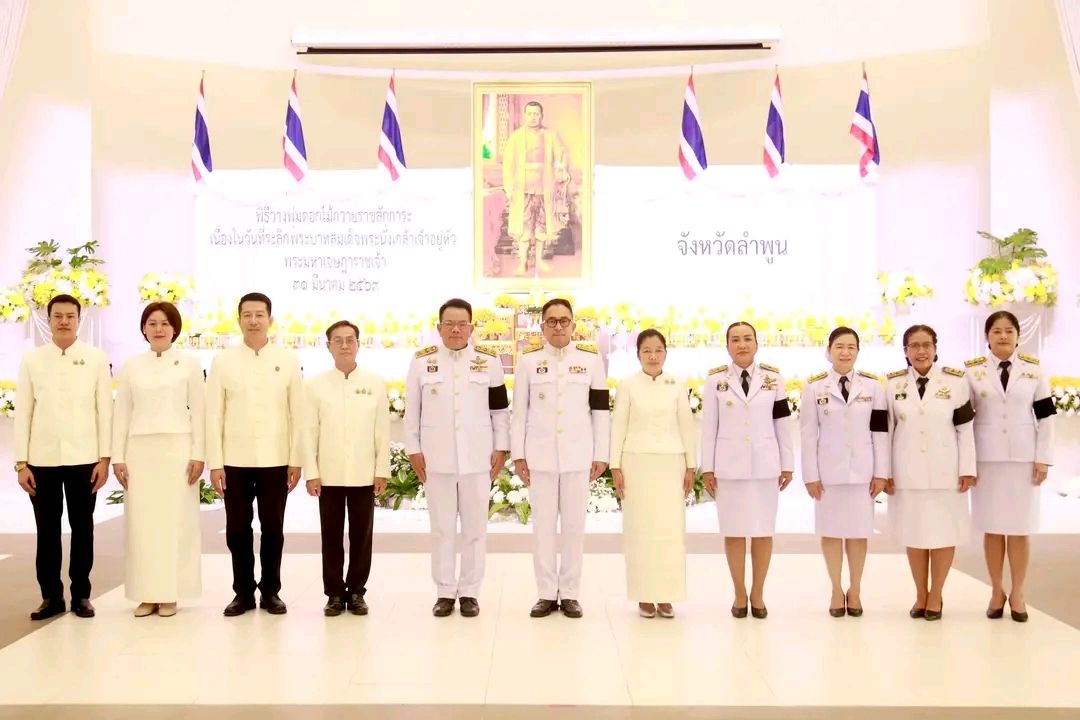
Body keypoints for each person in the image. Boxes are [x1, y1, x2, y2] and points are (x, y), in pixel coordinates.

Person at [404, 298, 510, 618]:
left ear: (471, 327)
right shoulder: (422, 362)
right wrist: (413, 449)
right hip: (437, 460)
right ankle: (445, 591)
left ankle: (470, 592)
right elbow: (413, 411)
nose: (455, 329)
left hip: (478, 458)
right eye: (449, 323)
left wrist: (501, 448)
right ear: (438, 328)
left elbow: (499, 410)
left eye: (462, 323)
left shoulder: (489, 362)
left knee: (475, 528)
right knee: (442, 528)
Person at [14, 294, 112, 620]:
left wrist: (104, 458)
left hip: (85, 459)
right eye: (58, 316)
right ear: (49, 318)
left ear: (79, 319)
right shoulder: (32, 360)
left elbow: (104, 410)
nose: (64, 321)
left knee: (83, 529)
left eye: (70, 316)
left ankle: (81, 595)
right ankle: (51, 596)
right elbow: (24, 411)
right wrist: (22, 462)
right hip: (42, 462)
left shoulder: (95, 358)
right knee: (47, 531)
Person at [206, 292, 305, 617]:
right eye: (247, 315)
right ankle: (243, 592)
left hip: (275, 460)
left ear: (270, 320)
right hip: (234, 461)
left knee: (273, 529)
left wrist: (296, 459)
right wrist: (215, 463)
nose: (253, 321)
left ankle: (271, 591)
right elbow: (213, 415)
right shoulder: (223, 361)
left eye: (259, 315)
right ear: (239, 320)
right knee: (237, 530)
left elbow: (297, 414)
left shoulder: (287, 360)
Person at [511, 298, 609, 619]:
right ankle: (544, 593)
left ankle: (569, 593)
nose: (557, 326)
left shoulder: (591, 362)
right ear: (542, 326)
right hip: (539, 457)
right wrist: (519, 454)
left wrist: (601, 453)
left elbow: (600, 412)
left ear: (573, 324)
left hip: (578, 456)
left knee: (573, 527)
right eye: (551, 321)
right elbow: (519, 412)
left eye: (563, 320)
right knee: (542, 528)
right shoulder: (528, 362)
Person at [112, 302, 205, 617]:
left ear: (175, 328)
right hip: (140, 451)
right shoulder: (131, 366)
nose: (159, 328)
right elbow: (121, 413)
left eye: (165, 323)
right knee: (143, 524)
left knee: (175, 522)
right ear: (143, 328)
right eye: (152, 323)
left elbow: (201, 413)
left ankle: (170, 593)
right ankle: (146, 593)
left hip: (178, 449)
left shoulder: (190, 364)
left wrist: (198, 454)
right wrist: (117, 457)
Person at [966, 311, 1056, 623]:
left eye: (1008, 331)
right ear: (987, 336)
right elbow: (963, 422)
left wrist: (1042, 456)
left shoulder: (1033, 371)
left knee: (1019, 529)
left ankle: (1018, 592)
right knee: (992, 529)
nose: (1003, 336)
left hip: (1023, 461)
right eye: (996, 331)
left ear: (1018, 336)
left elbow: (1046, 416)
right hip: (986, 462)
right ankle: (996, 590)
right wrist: (965, 463)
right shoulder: (972, 373)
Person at [700, 321, 794, 620]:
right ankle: (739, 592)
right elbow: (709, 427)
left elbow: (782, 423)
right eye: (735, 340)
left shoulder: (773, 378)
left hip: (765, 465)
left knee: (763, 531)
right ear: (727, 345)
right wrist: (709, 467)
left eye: (747, 339)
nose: (742, 345)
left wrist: (787, 464)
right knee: (734, 532)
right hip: (729, 467)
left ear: (756, 343)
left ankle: (758, 593)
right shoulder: (716, 380)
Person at [885, 324, 975, 621]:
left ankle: (936, 594)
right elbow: (886, 431)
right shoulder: (892, 384)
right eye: (914, 346)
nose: (921, 351)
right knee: (915, 534)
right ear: (905, 351)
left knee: (942, 533)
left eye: (926, 345)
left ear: (936, 348)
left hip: (946, 473)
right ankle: (920, 594)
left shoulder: (956, 381)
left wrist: (967, 468)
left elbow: (965, 429)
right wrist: (885, 472)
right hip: (907, 472)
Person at [799, 327, 890, 617]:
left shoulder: (873, 387)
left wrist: (881, 472)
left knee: (858, 533)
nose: (845, 352)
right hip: (828, 474)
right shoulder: (814, 387)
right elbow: (808, 434)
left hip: (862, 472)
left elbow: (880, 432)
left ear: (858, 351)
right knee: (831, 532)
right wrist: (811, 475)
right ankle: (837, 589)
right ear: (829, 350)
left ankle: (856, 589)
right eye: (839, 346)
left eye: (851, 347)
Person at [305, 320, 390, 617]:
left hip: (364, 473)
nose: (344, 345)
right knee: (330, 535)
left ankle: (356, 591)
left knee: (361, 535)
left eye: (350, 340)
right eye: (338, 340)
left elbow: (382, 431)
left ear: (358, 344)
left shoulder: (375, 383)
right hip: (328, 474)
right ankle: (333, 594)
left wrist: (382, 470)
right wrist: (311, 472)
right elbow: (309, 431)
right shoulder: (315, 386)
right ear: (327, 345)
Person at [609, 329, 696, 619]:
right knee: (641, 530)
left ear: (665, 353)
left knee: (669, 532)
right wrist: (615, 465)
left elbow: (686, 425)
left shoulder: (677, 384)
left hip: (671, 463)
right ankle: (645, 595)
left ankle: (666, 594)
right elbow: (618, 425)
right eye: (647, 350)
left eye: (658, 350)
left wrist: (691, 464)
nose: (653, 356)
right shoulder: (628, 385)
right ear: (638, 354)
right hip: (637, 463)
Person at [502, 100, 570, 275]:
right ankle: (523, 263)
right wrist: (509, 187)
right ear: (525, 115)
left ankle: (539, 260)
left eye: (536, 114)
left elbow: (561, 157)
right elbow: (508, 164)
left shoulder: (551, 135)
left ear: (541, 116)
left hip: (544, 187)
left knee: (541, 226)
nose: (532, 117)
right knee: (524, 227)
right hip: (522, 188)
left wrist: (560, 169)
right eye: (529, 114)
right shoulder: (516, 137)